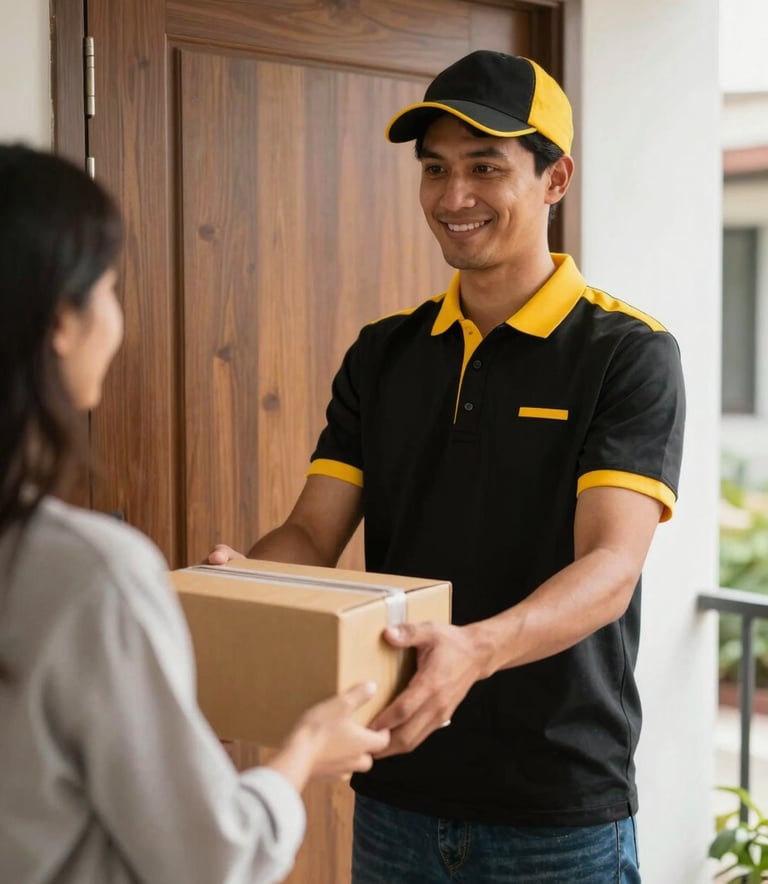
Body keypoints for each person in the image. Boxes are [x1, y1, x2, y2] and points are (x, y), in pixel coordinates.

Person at [209, 51, 686, 882]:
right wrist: (247, 586)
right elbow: (311, 532)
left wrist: (476, 649)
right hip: (395, 788)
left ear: (555, 178)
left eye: (485, 167)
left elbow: (611, 567)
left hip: (557, 807)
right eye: (435, 168)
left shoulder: (626, 354)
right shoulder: (383, 353)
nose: (453, 196)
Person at [0, 144, 389, 884]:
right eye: (109, 287)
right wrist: (304, 752)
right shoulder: (92, 575)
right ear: (60, 322)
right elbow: (212, 858)